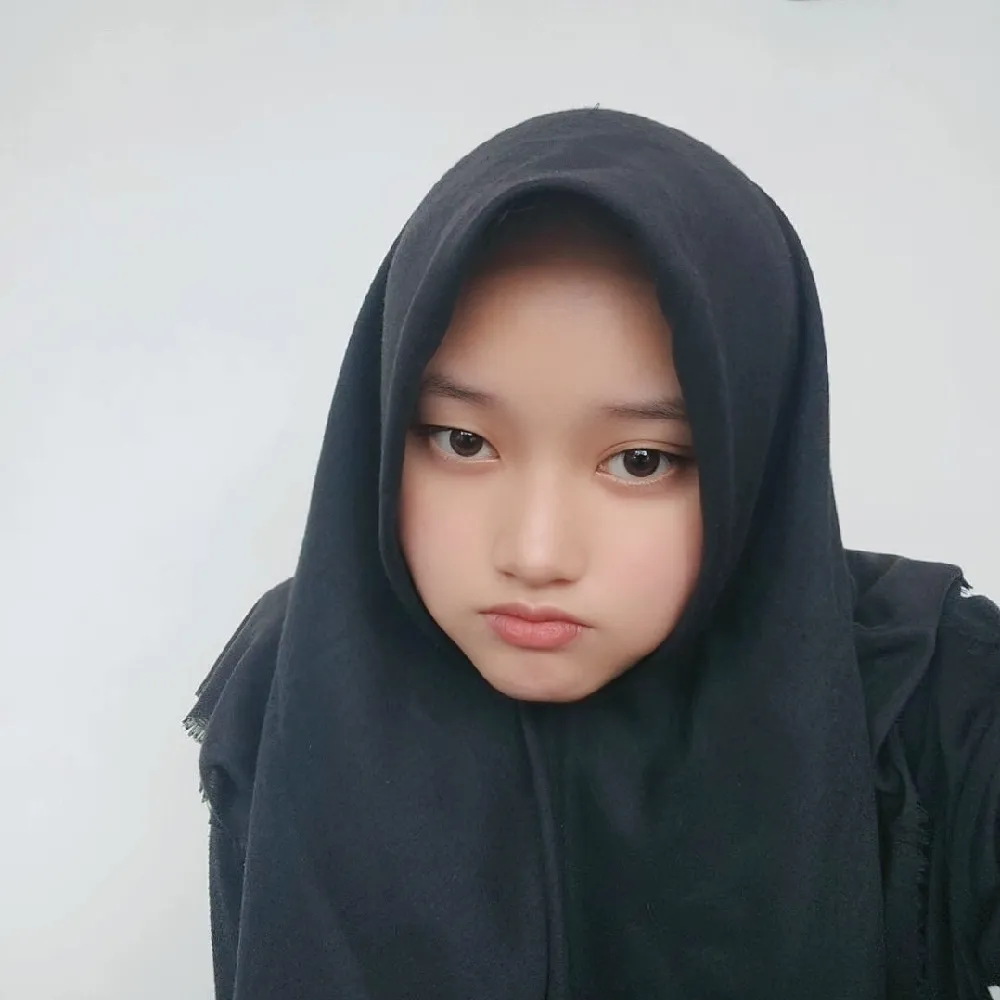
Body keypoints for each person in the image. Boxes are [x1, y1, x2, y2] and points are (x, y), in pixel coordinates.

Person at [183, 108, 999, 1000]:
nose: (535, 553)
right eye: (462, 441)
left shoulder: (932, 696)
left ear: (756, 455)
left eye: (641, 461)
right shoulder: (299, 676)